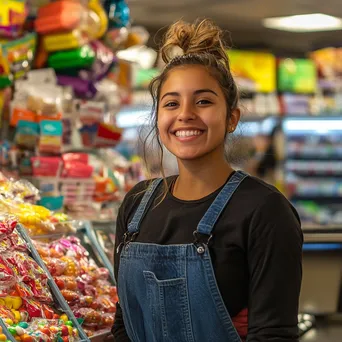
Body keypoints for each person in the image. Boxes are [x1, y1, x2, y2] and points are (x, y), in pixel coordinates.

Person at [112, 18, 303, 342]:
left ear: (231, 118)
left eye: (203, 101)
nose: (185, 113)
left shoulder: (264, 211)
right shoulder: (137, 204)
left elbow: (273, 335)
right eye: (172, 103)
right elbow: (124, 328)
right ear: (159, 117)